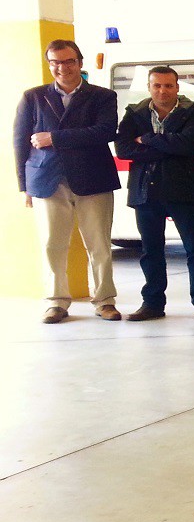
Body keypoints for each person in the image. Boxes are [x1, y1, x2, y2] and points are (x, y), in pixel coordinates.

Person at [13, 39, 121, 323]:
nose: (62, 68)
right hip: (46, 179)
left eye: (68, 61)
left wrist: (55, 138)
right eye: (55, 62)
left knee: (98, 244)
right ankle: (56, 301)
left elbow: (104, 131)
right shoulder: (33, 97)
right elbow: (20, 141)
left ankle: (105, 300)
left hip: (92, 178)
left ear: (80, 63)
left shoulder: (102, 96)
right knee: (52, 244)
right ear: (50, 64)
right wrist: (24, 185)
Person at [115, 65, 194, 322]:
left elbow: (189, 145)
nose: (163, 90)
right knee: (151, 251)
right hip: (145, 193)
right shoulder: (134, 113)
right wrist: (168, 145)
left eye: (168, 85)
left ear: (177, 87)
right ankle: (152, 304)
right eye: (157, 85)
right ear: (149, 87)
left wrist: (147, 139)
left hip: (184, 191)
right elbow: (123, 149)